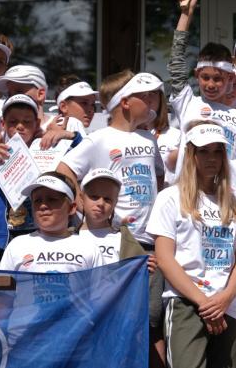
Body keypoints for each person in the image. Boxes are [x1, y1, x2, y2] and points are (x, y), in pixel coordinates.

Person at [57, 70, 166, 366]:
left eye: (154, 95)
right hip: (116, 240)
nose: (153, 100)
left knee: (151, 318)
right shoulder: (98, 139)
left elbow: (158, 177)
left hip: (149, 241)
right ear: (125, 102)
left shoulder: (149, 138)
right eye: (145, 96)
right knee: (116, 316)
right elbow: (64, 171)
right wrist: (84, 207)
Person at [147, 122, 236, 368]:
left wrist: (226, 297)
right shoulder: (169, 198)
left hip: (228, 307)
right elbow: (165, 259)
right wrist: (205, 303)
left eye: (217, 151)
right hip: (186, 302)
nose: (211, 158)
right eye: (203, 151)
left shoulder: (235, 202)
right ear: (190, 154)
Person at [0, 95, 77, 268]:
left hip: (39, 236)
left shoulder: (48, 150)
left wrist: (71, 136)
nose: (20, 126)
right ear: (2, 124)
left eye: (27, 121)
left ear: (37, 123)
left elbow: (82, 157)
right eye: (13, 121)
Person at [168, 0, 236, 205]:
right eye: (205, 78)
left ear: (230, 78)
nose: (211, 84)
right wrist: (187, 14)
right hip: (190, 196)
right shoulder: (188, 103)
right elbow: (176, 60)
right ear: (197, 75)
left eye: (218, 79)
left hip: (229, 198)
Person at [0, 172, 105, 272]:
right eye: (37, 200)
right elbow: (2, 286)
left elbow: (102, 286)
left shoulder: (89, 248)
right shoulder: (17, 245)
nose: (43, 206)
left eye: (52, 199)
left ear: (71, 208)